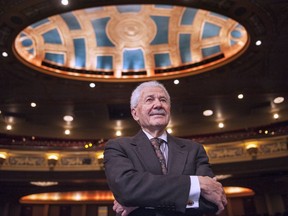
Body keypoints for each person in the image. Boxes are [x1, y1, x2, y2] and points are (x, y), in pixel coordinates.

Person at [104, 81, 227, 216]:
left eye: (163, 100)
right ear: (135, 113)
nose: (158, 104)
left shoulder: (194, 149)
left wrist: (141, 202)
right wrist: (196, 184)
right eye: (149, 100)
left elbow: (211, 202)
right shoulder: (118, 147)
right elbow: (127, 190)